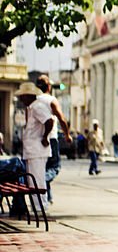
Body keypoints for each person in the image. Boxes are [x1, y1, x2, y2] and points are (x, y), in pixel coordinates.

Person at [15, 82, 53, 214]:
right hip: (31, 150)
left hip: (37, 149)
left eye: (22, 96)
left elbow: (49, 121)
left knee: (37, 180)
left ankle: (41, 207)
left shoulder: (38, 107)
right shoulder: (31, 108)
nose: (20, 99)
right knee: (32, 180)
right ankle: (36, 207)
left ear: (28, 95)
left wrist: (44, 137)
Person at [35, 75, 69, 204]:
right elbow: (61, 118)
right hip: (51, 138)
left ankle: (48, 197)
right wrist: (67, 135)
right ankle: (41, 183)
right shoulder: (51, 100)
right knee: (54, 167)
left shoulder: (34, 100)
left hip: (37, 139)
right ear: (49, 87)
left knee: (44, 167)